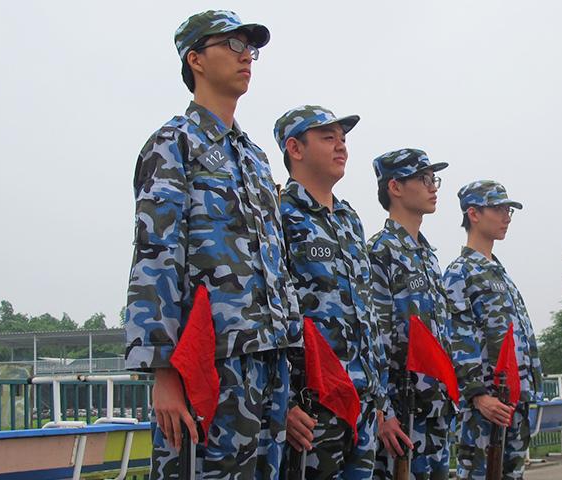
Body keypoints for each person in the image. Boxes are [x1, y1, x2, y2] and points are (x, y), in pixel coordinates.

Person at [124, 10, 310, 479]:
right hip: (208, 364)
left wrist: (287, 366)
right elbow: (155, 256)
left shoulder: (254, 158)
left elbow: (276, 264)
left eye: (250, 48)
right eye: (232, 45)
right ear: (195, 59)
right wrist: (163, 373)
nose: (246, 55)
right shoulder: (174, 143)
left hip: (267, 363)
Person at [275, 105, 383, 479]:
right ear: (295, 148)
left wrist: (378, 396)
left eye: (343, 139)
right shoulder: (278, 215)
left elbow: (366, 313)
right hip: (313, 407)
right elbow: (271, 311)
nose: (342, 147)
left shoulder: (349, 220)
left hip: (362, 404)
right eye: (328, 138)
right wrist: (284, 402)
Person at [442, 180, 544, 480]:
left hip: (515, 399)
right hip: (486, 404)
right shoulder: (460, 272)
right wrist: (477, 395)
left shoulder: (498, 272)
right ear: (473, 214)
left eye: (508, 210)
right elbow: (457, 336)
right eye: (498, 209)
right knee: (477, 474)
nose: (506, 216)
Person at [368, 149, 456, 480]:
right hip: (402, 416)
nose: (433, 186)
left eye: (434, 179)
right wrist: (382, 411)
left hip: (435, 411)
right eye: (423, 178)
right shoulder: (381, 252)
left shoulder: (427, 257)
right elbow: (376, 339)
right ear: (395, 187)